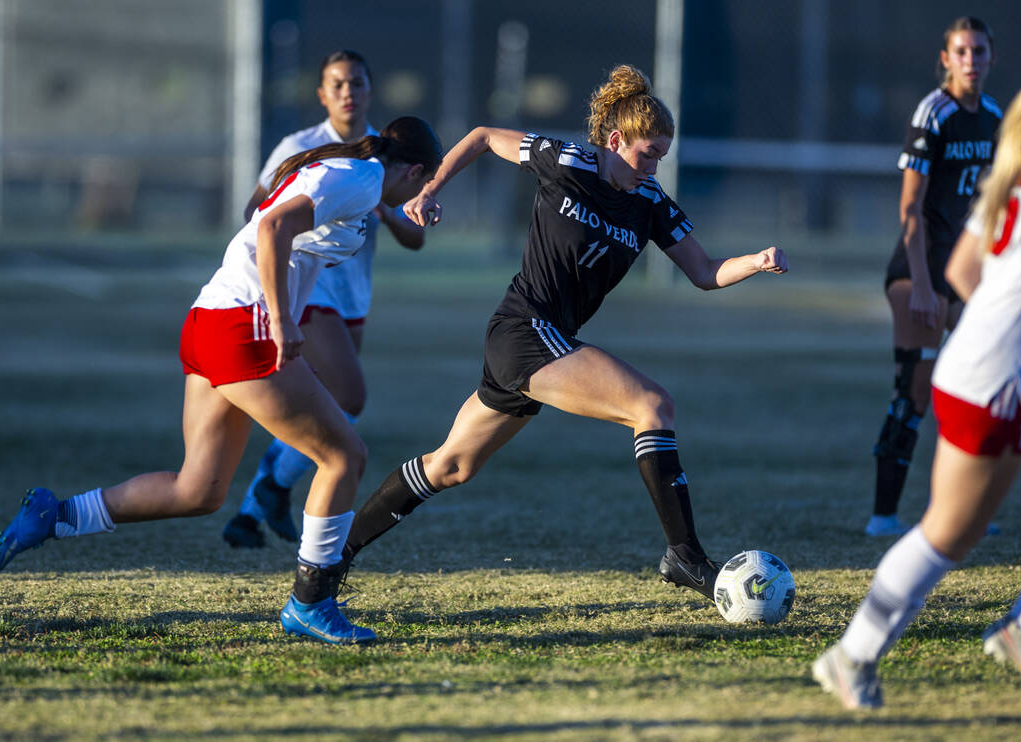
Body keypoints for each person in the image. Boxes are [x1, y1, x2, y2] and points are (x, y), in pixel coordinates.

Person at [330, 64, 788, 603]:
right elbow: (481, 137)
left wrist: (755, 262)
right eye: (647, 153)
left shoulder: (651, 203)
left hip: (541, 342)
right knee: (651, 405)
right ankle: (684, 556)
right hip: (523, 330)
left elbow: (705, 272)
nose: (654, 165)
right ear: (615, 140)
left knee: (451, 465)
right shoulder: (567, 160)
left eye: (663, 155)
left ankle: (333, 555)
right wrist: (429, 189)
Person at [0, 117, 443, 646]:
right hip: (244, 326)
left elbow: (289, 230)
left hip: (210, 319)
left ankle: (56, 515)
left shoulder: (355, 176)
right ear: (413, 171)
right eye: (426, 181)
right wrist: (281, 319)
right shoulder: (361, 177)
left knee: (198, 489)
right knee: (344, 457)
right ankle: (311, 602)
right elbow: (273, 229)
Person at [814, 45, 1021, 710]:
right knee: (950, 534)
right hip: (995, 379)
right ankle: (850, 656)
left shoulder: (1020, 164)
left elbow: (964, 273)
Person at [223, 50, 428, 549]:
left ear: (369, 91)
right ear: (321, 94)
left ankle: (251, 509)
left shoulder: (386, 153)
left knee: (325, 402)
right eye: (336, 84)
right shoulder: (304, 146)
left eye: (356, 83)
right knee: (349, 397)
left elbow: (415, 238)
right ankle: (270, 490)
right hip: (309, 287)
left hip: (353, 292)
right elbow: (260, 212)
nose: (347, 92)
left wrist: (384, 207)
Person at [867, 17, 1002, 537]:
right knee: (913, 392)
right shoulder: (934, 112)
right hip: (916, 272)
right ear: (945, 59)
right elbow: (911, 207)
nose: (971, 60)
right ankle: (883, 517)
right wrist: (923, 285)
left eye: (979, 51)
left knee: (982, 385)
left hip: (960, 273)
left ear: (992, 57)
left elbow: (990, 204)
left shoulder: (993, 117)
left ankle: (964, 510)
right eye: (961, 51)